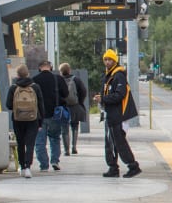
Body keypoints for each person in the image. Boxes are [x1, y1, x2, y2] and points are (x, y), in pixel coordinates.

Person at [94, 49, 141, 178]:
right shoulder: (108, 75)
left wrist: (103, 99)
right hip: (110, 114)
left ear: (115, 60)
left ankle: (133, 166)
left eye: (110, 59)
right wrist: (101, 98)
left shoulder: (118, 75)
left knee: (119, 143)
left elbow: (120, 95)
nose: (107, 62)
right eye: (105, 59)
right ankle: (113, 167)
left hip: (117, 115)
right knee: (110, 143)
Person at [5, 65, 44, 178]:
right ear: (28, 74)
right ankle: (28, 167)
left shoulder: (13, 88)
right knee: (30, 143)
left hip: (18, 119)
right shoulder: (35, 87)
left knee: (21, 143)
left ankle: (22, 167)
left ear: (17, 75)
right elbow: (41, 105)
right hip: (33, 119)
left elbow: (8, 105)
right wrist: (40, 122)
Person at [32, 60, 69, 172]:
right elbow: (66, 94)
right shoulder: (58, 79)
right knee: (54, 138)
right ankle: (55, 161)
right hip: (55, 114)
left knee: (40, 141)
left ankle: (43, 165)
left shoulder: (34, 81)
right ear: (51, 68)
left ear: (39, 68)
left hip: (39, 115)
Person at [59, 62, 87, 155]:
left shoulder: (59, 80)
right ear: (69, 70)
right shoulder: (76, 80)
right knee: (75, 125)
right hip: (75, 105)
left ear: (61, 71)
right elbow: (83, 91)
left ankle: (66, 150)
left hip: (63, 106)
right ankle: (74, 147)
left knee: (64, 128)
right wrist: (80, 101)